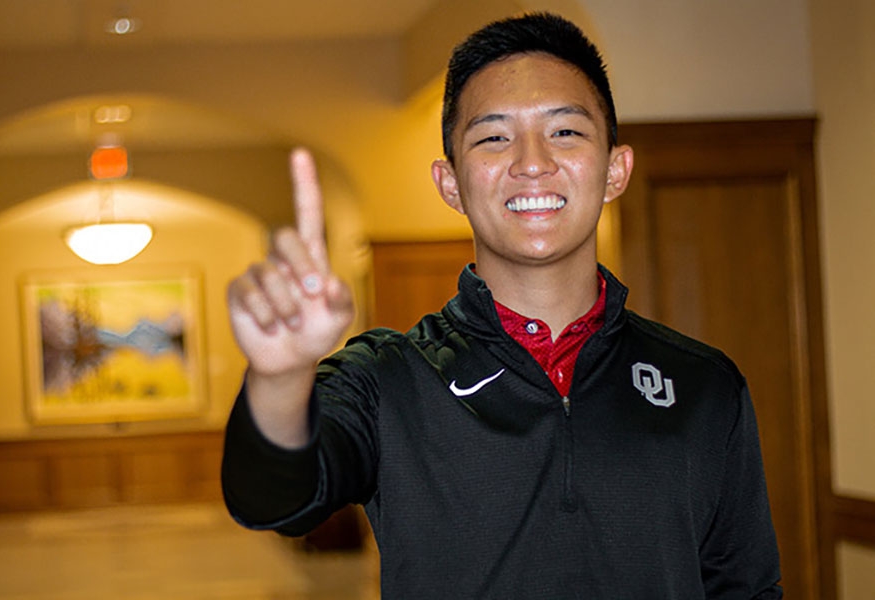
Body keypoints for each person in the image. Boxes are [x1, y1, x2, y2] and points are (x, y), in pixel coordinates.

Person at [222, 12, 783, 599]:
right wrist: (280, 377)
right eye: (493, 137)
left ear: (615, 169)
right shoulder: (387, 380)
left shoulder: (703, 385)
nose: (532, 162)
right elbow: (273, 500)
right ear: (451, 184)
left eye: (565, 131)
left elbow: (745, 588)